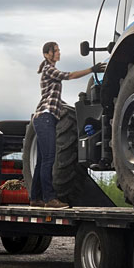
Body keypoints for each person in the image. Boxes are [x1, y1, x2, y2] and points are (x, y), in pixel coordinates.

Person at [31, 41, 104, 208]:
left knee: (42, 159)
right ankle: (49, 199)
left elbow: (53, 97)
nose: (59, 53)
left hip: (46, 117)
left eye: (58, 50)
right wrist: (91, 70)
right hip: (45, 117)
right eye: (55, 51)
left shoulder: (49, 70)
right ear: (47, 54)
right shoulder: (49, 69)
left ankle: (35, 198)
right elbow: (69, 76)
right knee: (49, 159)